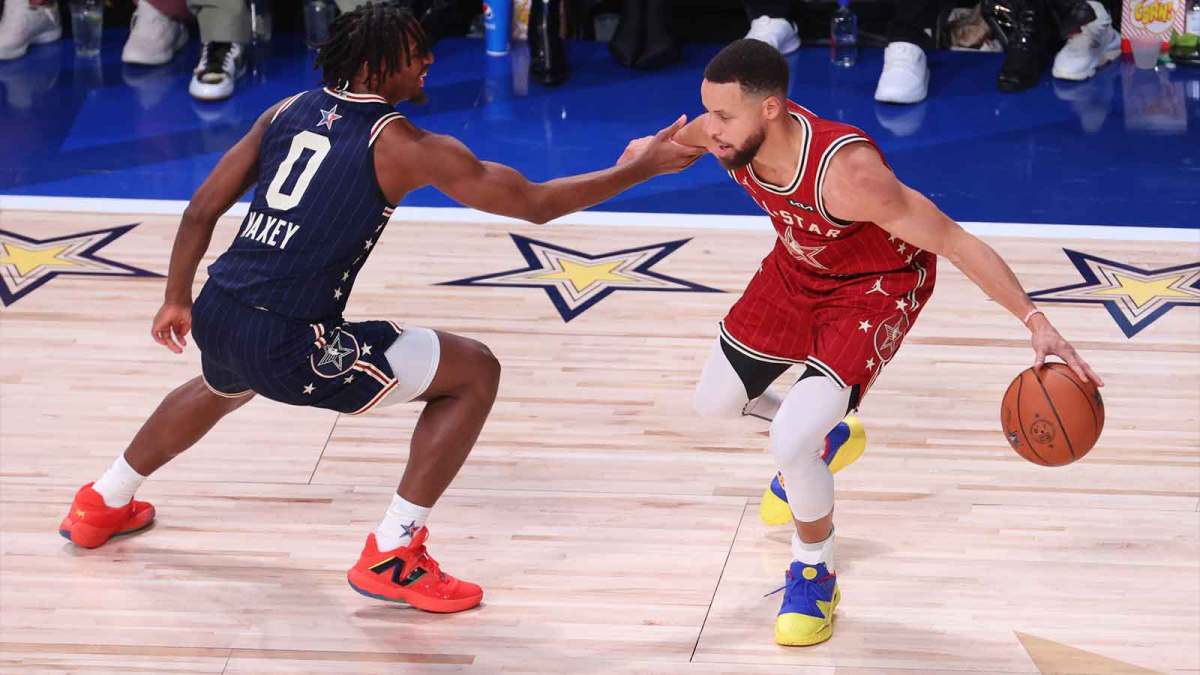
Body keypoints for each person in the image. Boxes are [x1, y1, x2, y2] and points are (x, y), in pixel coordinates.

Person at [57, 3, 702, 615]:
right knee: (474, 372)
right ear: (372, 68)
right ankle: (394, 551)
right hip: (289, 337)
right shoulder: (404, 145)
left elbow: (201, 208)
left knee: (223, 381)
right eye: (414, 55)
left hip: (219, 310)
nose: (427, 64)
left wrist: (176, 297)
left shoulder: (283, 110)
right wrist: (640, 169)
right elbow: (533, 204)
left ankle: (102, 500)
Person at [620, 39, 1103, 646]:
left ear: (771, 109)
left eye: (723, 116)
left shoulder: (850, 175)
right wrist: (643, 155)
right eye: (707, 112)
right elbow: (677, 140)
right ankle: (829, 434)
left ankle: (813, 570)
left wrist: (1037, 322)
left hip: (875, 289)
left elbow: (954, 242)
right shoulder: (727, 133)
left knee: (789, 439)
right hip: (798, 270)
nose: (709, 130)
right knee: (713, 403)